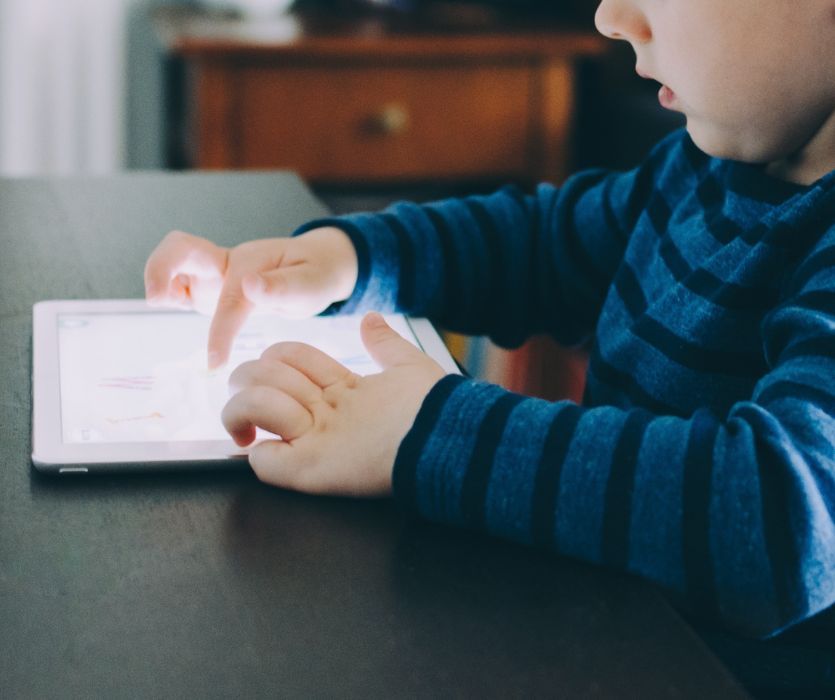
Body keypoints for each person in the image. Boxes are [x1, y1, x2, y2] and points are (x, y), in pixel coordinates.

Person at [145, 0, 835, 681]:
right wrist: (349, 260)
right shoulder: (702, 166)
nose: (611, 17)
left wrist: (427, 429)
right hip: (609, 630)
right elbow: (543, 248)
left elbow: (778, 521)